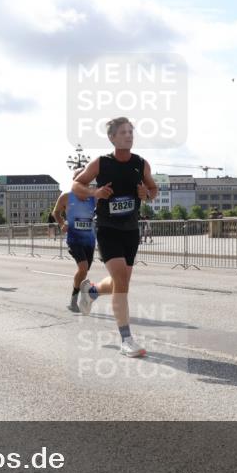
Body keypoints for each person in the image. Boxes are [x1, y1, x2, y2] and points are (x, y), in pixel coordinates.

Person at [73, 116, 159, 358]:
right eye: (123, 132)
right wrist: (95, 192)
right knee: (121, 280)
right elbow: (76, 186)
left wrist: (147, 194)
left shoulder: (141, 164)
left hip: (131, 231)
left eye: (131, 131)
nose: (129, 135)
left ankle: (90, 293)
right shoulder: (101, 163)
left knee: (121, 283)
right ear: (112, 137)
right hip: (107, 228)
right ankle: (126, 339)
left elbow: (153, 189)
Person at [52, 169, 96, 313]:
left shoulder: (93, 196)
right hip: (74, 238)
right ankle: (74, 300)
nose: (84, 182)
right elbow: (56, 212)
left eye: (86, 180)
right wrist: (62, 223)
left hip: (89, 239)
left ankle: (76, 298)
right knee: (83, 268)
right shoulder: (66, 196)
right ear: (74, 180)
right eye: (80, 179)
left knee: (84, 271)